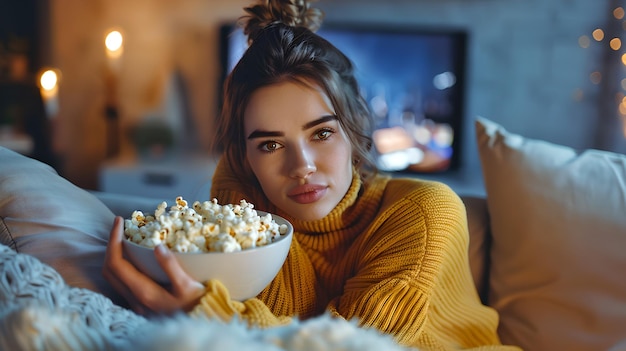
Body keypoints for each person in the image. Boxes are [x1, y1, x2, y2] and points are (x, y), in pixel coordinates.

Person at [103, 1, 521, 350]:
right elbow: (283, 316)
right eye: (269, 144)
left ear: (354, 128)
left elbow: (350, 345)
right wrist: (234, 184)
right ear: (242, 156)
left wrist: (206, 312)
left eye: (321, 133)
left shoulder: (426, 211)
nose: (301, 165)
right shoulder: (250, 205)